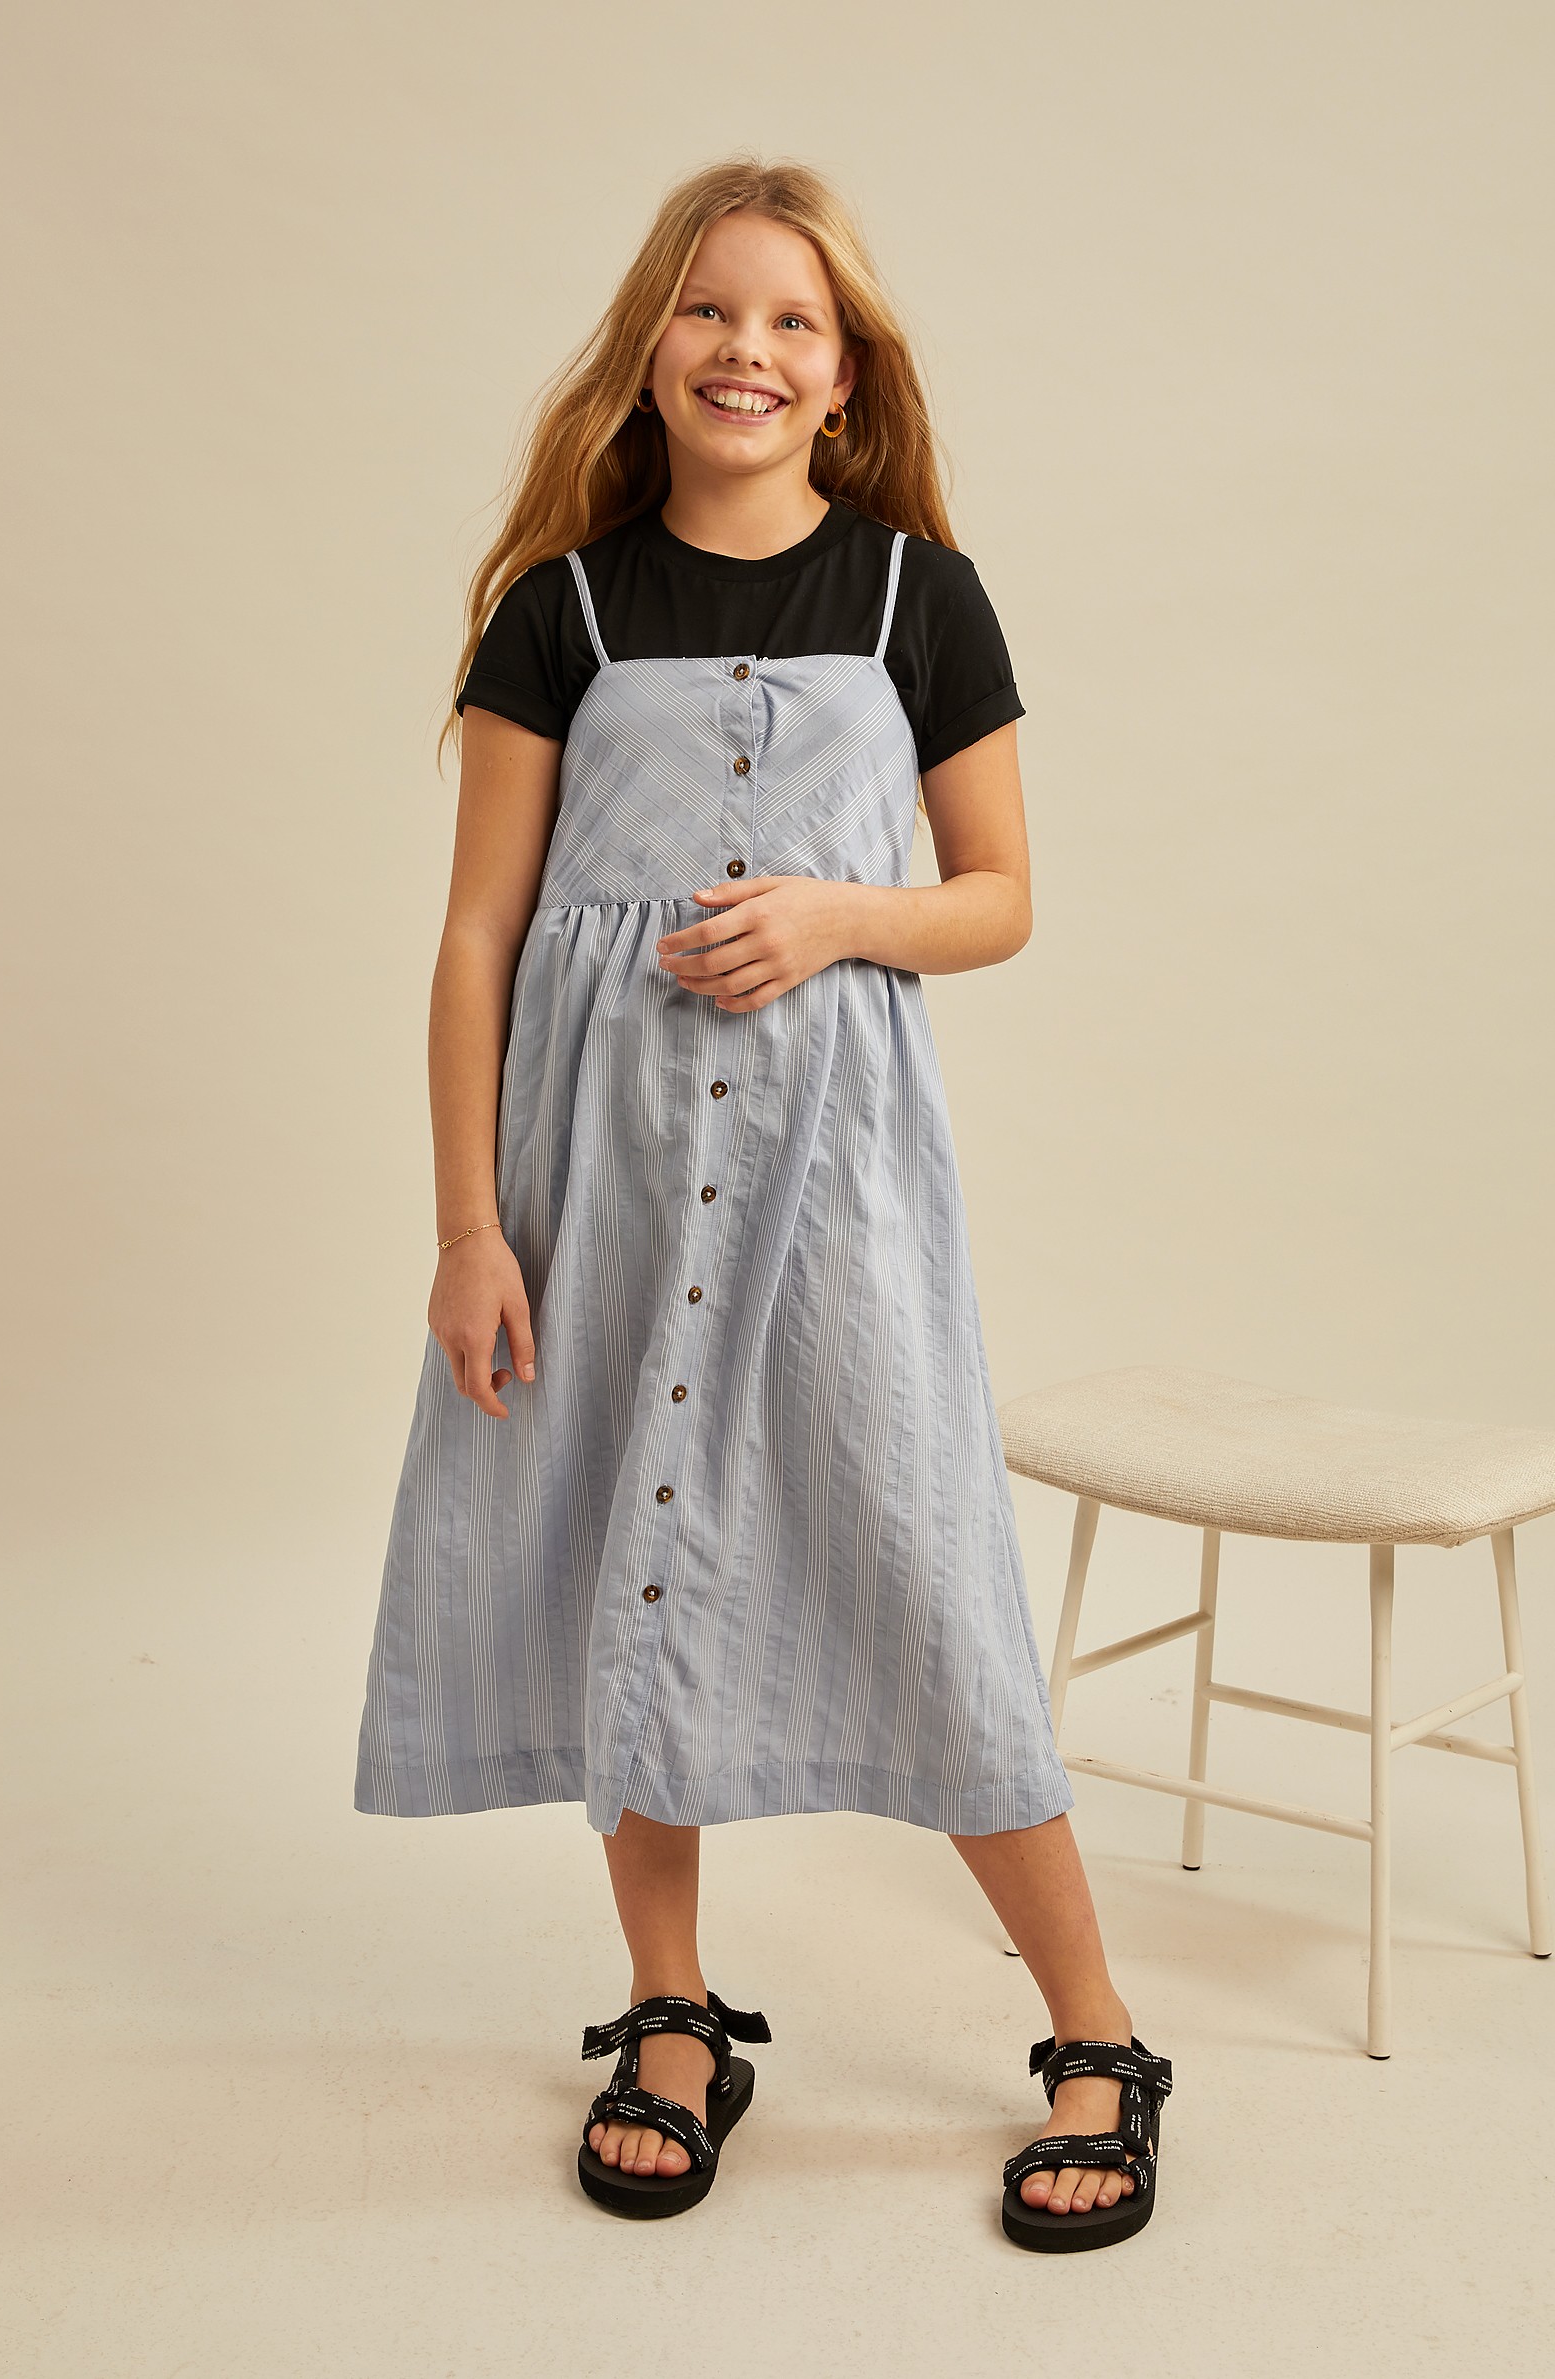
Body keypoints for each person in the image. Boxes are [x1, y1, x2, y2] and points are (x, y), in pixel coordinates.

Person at [352, 154, 1172, 2253]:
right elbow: (477, 934)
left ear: (844, 372)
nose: (749, 348)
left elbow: (1000, 896)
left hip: (835, 1185)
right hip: (600, 1177)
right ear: (652, 349)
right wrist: (469, 1227)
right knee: (630, 1555)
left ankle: (1097, 2030)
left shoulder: (919, 598)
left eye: (793, 320)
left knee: (923, 1568)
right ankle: (671, 2008)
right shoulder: (560, 610)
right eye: (711, 310)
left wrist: (836, 916)